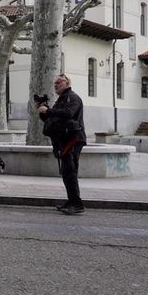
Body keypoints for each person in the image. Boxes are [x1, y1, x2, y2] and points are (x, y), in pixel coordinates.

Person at [38, 73, 87, 215]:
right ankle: (71, 200)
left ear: (68, 83)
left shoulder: (72, 97)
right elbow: (52, 118)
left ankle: (77, 204)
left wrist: (49, 110)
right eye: (55, 83)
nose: (56, 85)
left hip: (73, 139)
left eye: (59, 82)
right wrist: (43, 110)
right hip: (65, 139)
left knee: (70, 171)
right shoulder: (62, 99)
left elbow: (68, 113)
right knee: (67, 172)